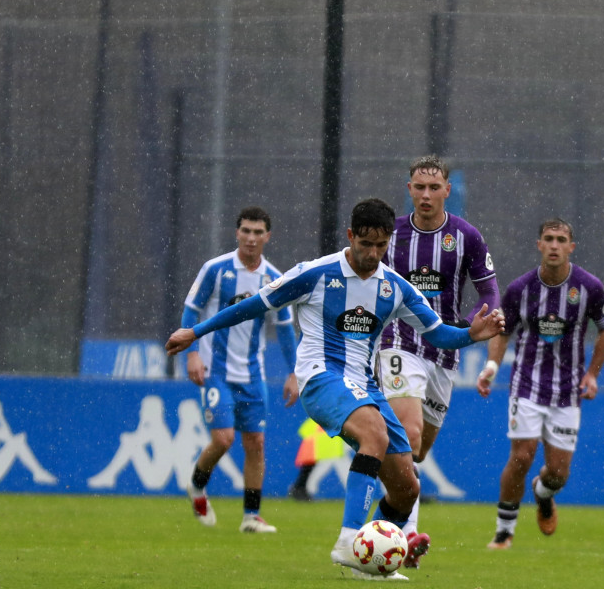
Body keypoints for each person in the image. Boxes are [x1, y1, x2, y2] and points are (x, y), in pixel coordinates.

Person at [167, 198, 504, 580]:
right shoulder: (314, 273)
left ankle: (369, 561)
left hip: (366, 387)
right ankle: (348, 541)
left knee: (407, 488)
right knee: (374, 433)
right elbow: (254, 306)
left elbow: (439, 334)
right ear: (350, 236)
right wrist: (195, 332)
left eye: (381, 246)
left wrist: (471, 335)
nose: (373, 253)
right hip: (321, 377)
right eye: (366, 245)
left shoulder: (395, 288)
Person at [375, 154, 499, 567]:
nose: (426, 195)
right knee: (407, 438)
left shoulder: (466, 237)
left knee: (418, 452)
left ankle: (387, 521)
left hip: (445, 351)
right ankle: (404, 538)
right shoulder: (389, 235)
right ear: (408, 189)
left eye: (434, 187)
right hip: (398, 342)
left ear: (448, 189)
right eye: (418, 187)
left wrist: (487, 319)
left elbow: (489, 292)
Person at [476, 218, 604, 550]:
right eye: (548, 239)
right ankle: (504, 531)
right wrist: (492, 365)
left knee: (558, 474)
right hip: (527, 386)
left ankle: (542, 493)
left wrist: (592, 373)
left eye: (560, 239)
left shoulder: (589, 287)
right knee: (521, 456)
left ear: (571, 247)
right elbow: (503, 331)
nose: (554, 245)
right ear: (539, 245)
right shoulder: (520, 289)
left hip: (567, 392)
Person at [180, 206, 298, 533]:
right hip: (217, 371)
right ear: (237, 233)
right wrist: (191, 354)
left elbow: (285, 328)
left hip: (252, 375)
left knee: (256, 444)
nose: (251, 237)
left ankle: (251, 517)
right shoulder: (215, 270)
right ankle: (197, 486)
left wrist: (293, 371)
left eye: (258, 232)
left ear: (267, 237)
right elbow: (191, 311)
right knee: (223, 439)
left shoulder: (274, 279)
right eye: (246, 230)